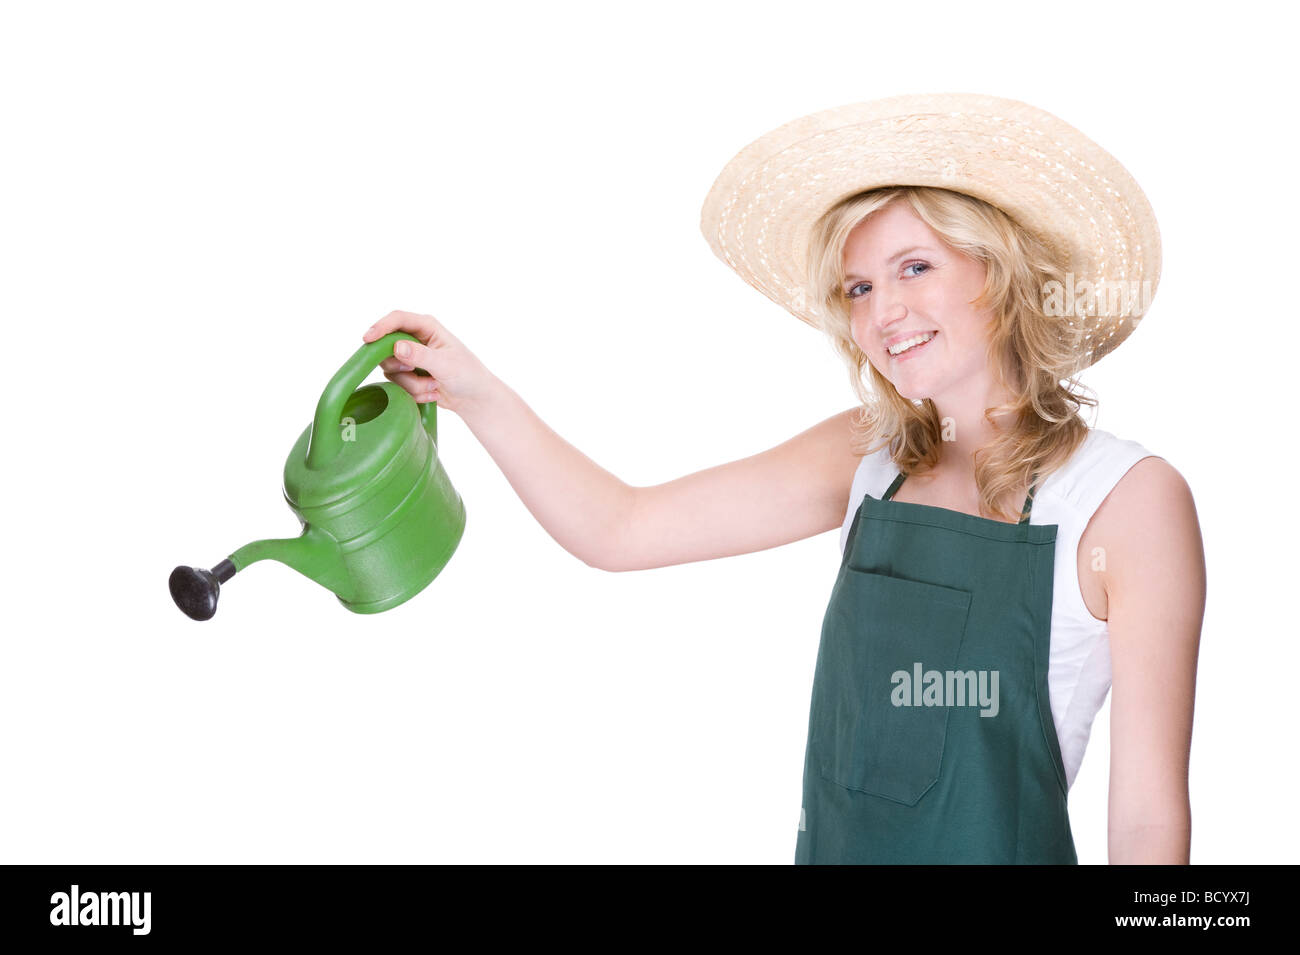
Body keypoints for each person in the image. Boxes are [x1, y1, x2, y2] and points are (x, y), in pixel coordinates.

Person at [362, 93, 1205, 864]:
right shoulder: (867, 458)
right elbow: (618, 529)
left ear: (1002, 272)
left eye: (916, 267)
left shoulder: (1124, 502)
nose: (882, 313)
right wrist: (475, 391)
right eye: (860, 287)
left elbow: (1145, 823)